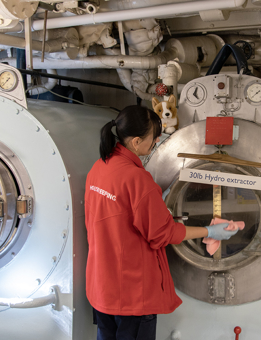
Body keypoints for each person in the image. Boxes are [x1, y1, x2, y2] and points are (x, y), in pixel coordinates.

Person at [85, 105, 237, 340]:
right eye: (153, 138)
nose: (156, 142)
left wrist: (155, 203)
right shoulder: (136, 178)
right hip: (131, 292)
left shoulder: (99, 167)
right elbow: (163, 233)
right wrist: (209, 230)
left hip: (102, 287)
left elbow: (117, 215)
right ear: (136, 142)